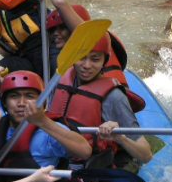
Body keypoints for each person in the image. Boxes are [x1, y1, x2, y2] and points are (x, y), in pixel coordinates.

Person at [48, 32, 153, 169]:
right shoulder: (59, 79)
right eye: (81, 57)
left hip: (84, 169)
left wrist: (120, 138)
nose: (87, 65)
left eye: (95, 59)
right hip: (50, 157)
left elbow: (146, 155)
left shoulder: (114, 96)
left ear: (104, 61)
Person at [41, 0, 145, 112]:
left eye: (62, 27)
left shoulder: (92, 38)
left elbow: (61, 3)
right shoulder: (76, 54)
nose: (55, 33)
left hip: (112, 104)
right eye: (52, 30)